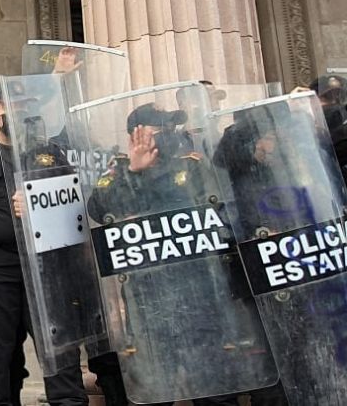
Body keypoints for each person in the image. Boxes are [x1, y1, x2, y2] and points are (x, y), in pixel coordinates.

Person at [86, 103, 280, 406]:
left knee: (214, 381)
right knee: (155, 382)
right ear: (135, 133)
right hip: (148, 291)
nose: (166, 134)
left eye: (169, 128)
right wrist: (136, 172)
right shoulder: (119, 169)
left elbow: (218, 211)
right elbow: (99, 208)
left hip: (198, 286)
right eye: (158, 128)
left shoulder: (192, 165)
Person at [0, 85, 89, 406]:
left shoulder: (49, 153)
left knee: (59, 345)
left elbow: (75, 204)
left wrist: (39, 207)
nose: (19, 114)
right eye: (11, 107)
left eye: (24, 107)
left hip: (45, 262)